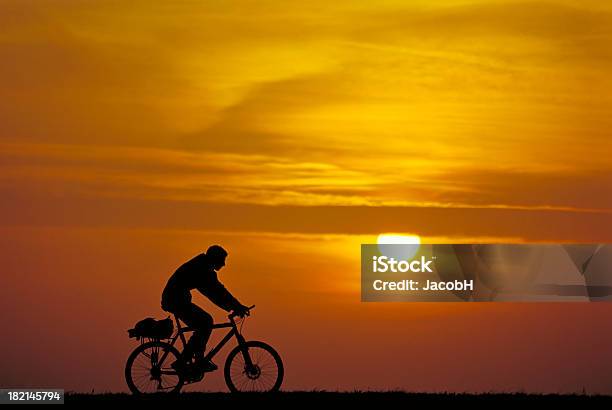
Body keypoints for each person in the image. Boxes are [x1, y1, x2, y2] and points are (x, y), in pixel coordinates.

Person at [161, 245, 249, 372]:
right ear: (215, 258)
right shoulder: (202, 269)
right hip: (175, 300)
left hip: (177, 299)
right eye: (222, 260)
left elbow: (217, 291)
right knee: (205, 322)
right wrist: (236, 306)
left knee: (204, 323)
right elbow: (216, 292)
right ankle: (188, 360)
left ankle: (194, 358)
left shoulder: (203, 266)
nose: (224, 264)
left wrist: (235, 306)